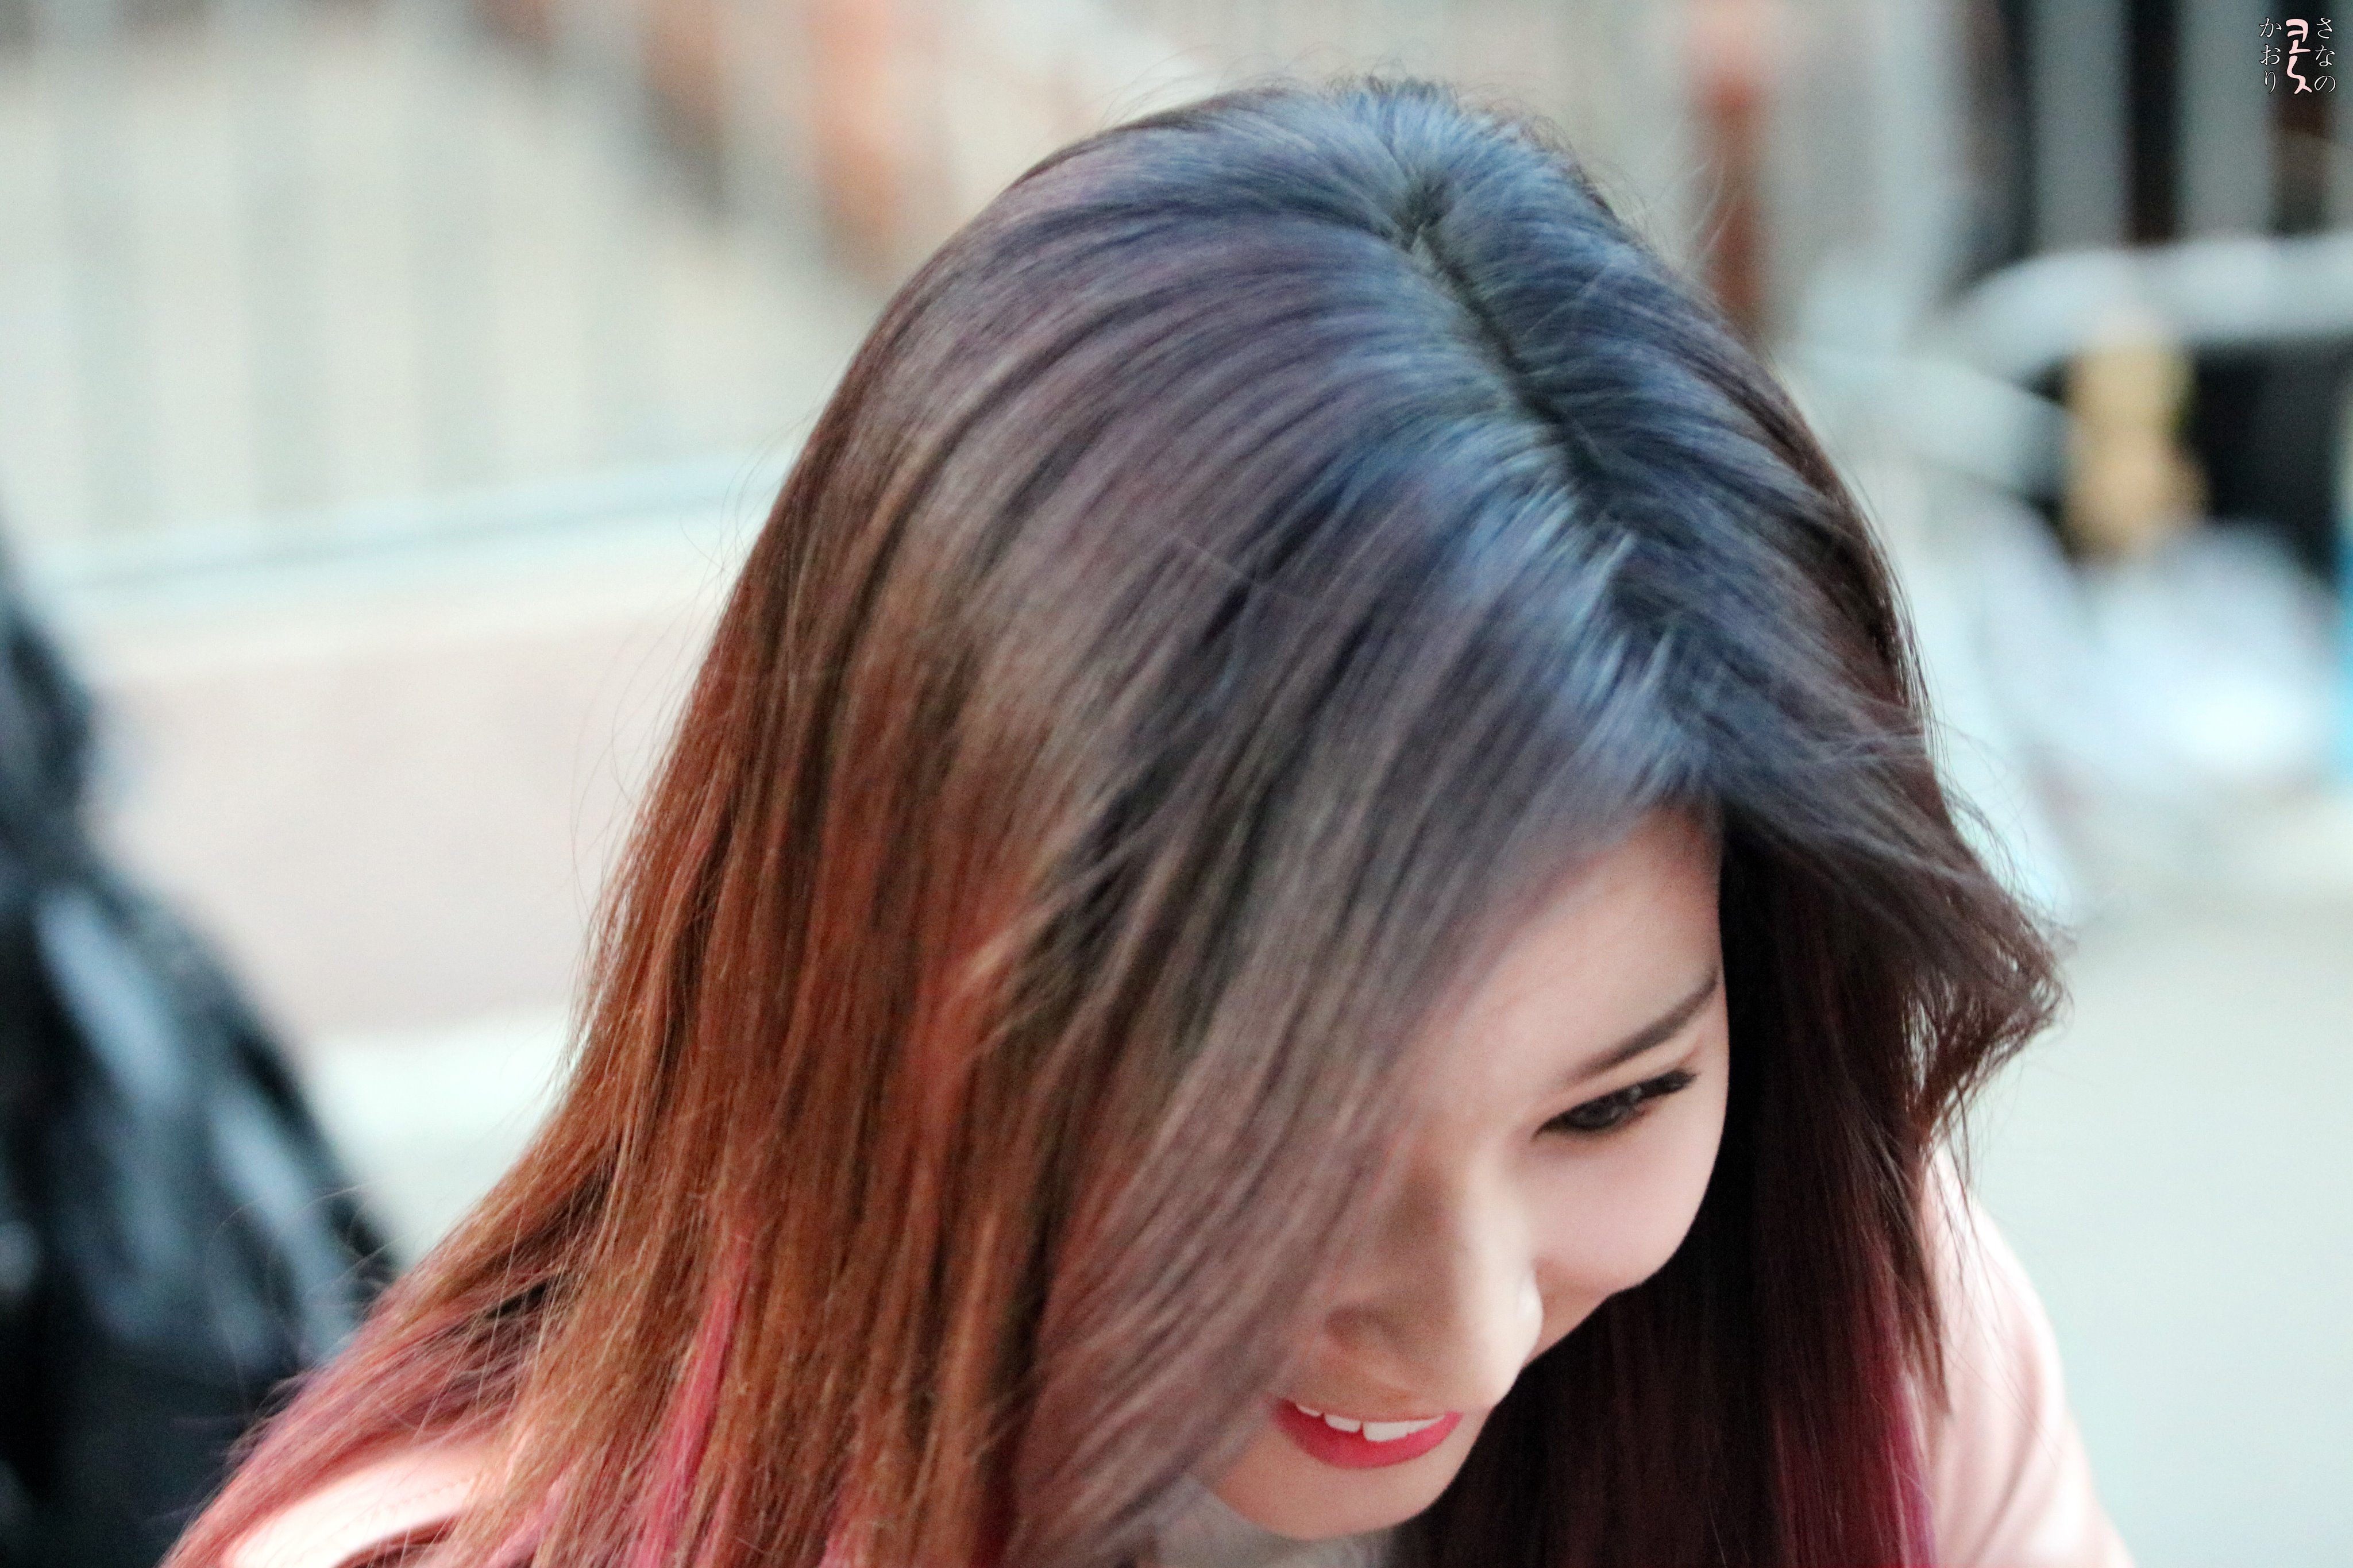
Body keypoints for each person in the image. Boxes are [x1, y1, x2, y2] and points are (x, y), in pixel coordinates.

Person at [164, 75, 2133, 1568]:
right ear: (898, 972)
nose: (1458, 1335)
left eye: (1612, 1103)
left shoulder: (1851, 1358)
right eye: (1280, 1140)